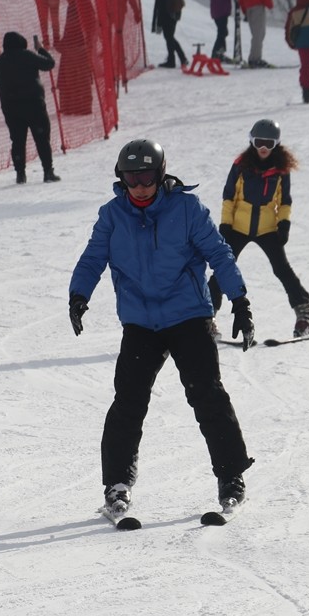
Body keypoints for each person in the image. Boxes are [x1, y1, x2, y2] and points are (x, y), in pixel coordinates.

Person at [68, 139, 256, 518]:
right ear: (121, 179)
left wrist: (239, 301)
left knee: (207, 395)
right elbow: (92, 258)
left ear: (161, 174)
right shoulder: (112, 215)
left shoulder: (186, 209)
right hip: (141, 322)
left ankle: (231, 476)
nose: (140, 186)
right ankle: (117, 485)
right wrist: (78, 295)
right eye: (131, 178)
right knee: (128, 402)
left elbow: (219, 253)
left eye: (147, 177)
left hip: (188, 316)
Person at [209, 120, 309, 339]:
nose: (263, 148)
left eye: (269, 144)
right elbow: (229, 196)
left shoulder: (280, 170)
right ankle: (206, 317)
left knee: (282, 269)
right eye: (259, 142)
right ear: (251, 141)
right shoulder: (241, 165)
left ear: (276, 144)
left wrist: (283, 223)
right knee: (223, 270)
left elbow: (285, 200)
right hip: (238, 227)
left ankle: (305, 316)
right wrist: (225, 225)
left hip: (267, 228)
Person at [0, 31, 61, 184]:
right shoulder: (28, 56)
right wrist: (41, 49)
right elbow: (49, 64)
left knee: (17, 140)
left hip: (11, 108)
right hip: (34, 106)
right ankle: (48, 171)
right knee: (42, 139)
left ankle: (20, 174)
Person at [150, 0, 187, 69]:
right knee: (169, 36)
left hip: (169, 12)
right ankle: (178, 58)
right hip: (174, 11)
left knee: (169, 36)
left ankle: (177, 59)